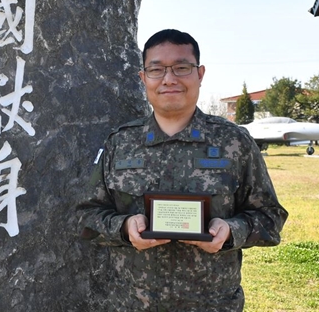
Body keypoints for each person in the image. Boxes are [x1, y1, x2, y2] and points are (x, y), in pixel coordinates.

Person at [77, 29, 288, 311]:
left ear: (199, 74)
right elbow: (86, 217)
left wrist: (231, 230)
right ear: (143, 78)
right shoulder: (120, 143)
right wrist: (124, 227)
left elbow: (271, 218)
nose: (169, 79)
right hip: (131, 303)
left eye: (181, 68)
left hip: (213, 304)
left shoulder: (234, 142)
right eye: (156, 69)